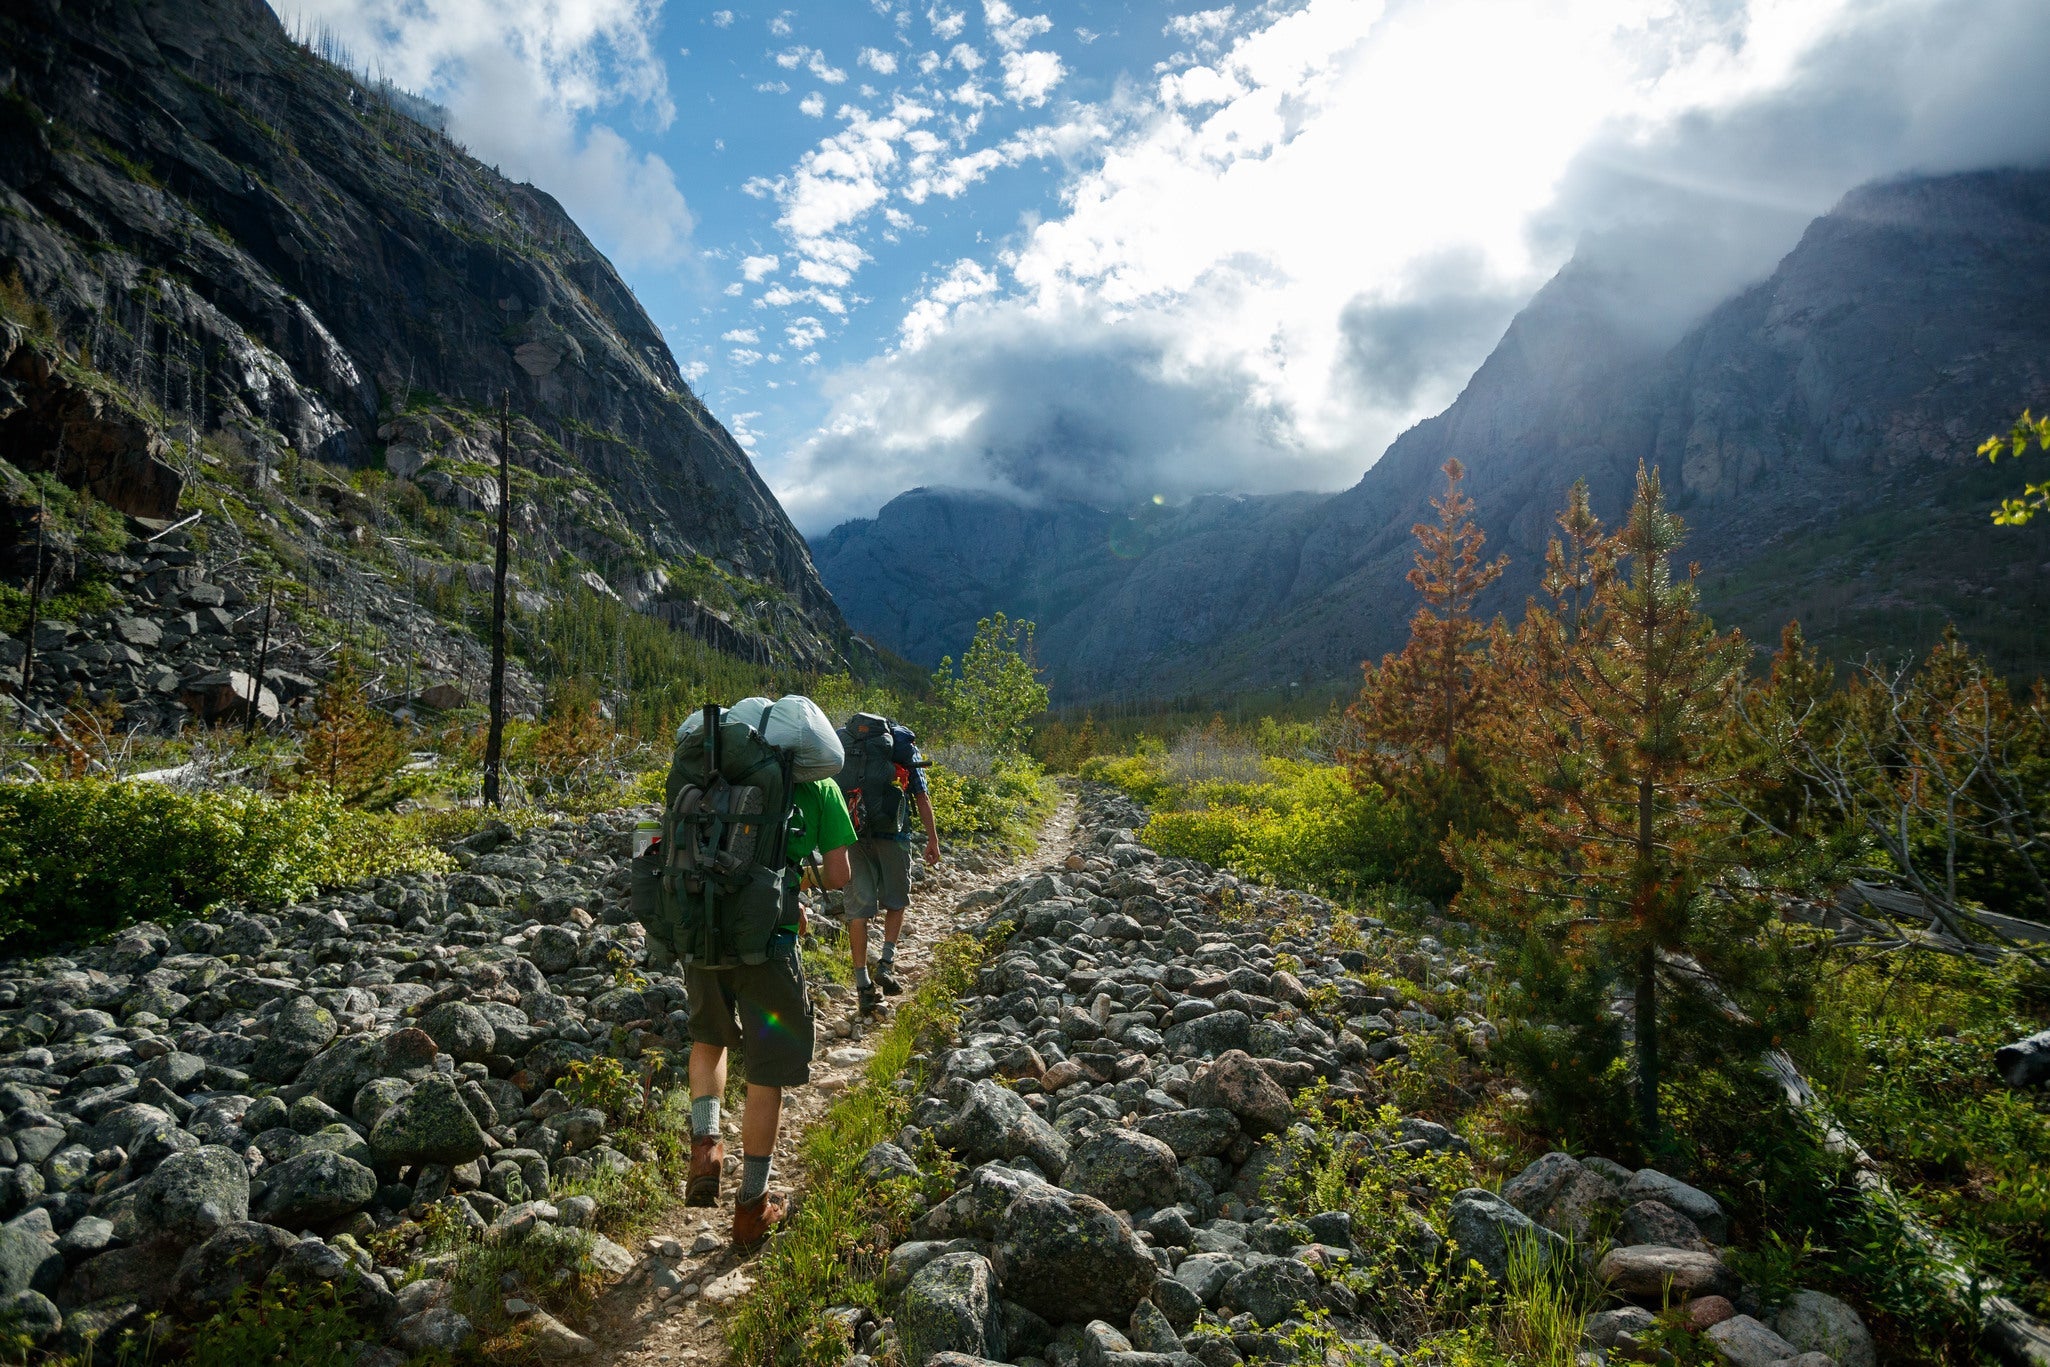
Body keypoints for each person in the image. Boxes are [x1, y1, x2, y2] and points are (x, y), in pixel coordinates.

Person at [680, 764, 856, 1246]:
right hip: (769, 949)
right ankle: (752, 1209)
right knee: (766, 1074)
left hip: (704, 934)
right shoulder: (821, 787)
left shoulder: (718, 771)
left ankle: (707, 1144)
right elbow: (840, 875)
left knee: (709, 1037)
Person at [838, 715, 940, 1016]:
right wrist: (932, 839)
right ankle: (886, 961)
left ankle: (862, 985)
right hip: (893, 832)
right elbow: (921, 795)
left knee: (858, 908)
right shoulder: (902, 746)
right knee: (896, 898)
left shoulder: (847, 743)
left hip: (853, 832)